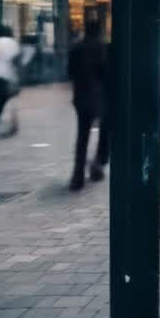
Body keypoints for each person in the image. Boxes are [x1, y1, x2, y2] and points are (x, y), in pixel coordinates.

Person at [68, 20, 110, 191]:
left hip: (80, 97)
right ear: (99, 31)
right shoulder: (102, 48)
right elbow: (106, 72)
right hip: (99, 97)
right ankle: (97, 165)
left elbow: (69, 71)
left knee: (82, 136)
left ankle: (77, 176)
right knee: (106, 132)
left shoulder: (76, 47)